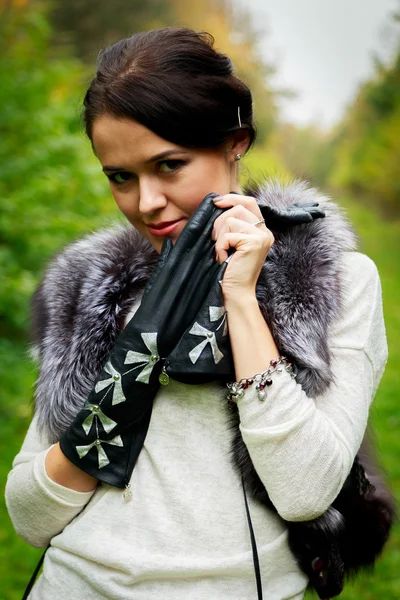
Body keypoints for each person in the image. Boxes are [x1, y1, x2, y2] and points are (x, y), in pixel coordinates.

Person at [5, 26, 389, 600]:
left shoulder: (331, 278)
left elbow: (306, 490)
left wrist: (241, 300)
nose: (146, 203)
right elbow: (30, 516)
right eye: (120, 177)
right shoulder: (94, 284)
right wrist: (131, 371)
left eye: (170, 165)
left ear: (235, 142)